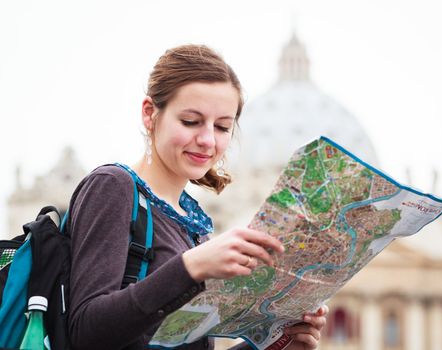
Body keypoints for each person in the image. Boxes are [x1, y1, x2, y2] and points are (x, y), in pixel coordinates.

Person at [66, 44, 328, 350]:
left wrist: (278, 343)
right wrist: (190, 268)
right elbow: (85, 332)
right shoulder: (113, 186)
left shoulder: (195, 225)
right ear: (150, 113)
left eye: (221, 127)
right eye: (191, 121)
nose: (206, 140)